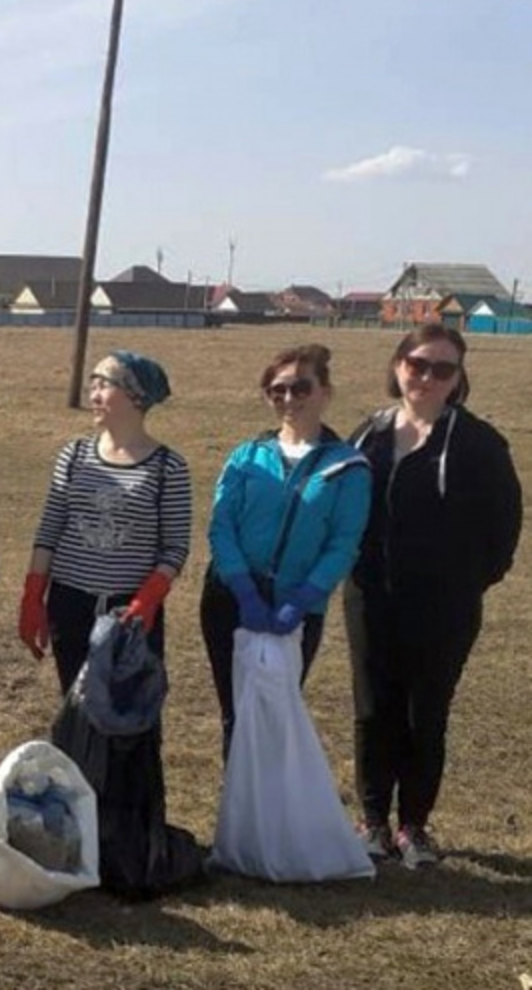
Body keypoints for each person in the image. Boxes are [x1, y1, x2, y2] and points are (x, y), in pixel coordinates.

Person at [344, 324, 520, 869]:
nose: (426, 377)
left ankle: (413, 825)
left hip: (444, 605)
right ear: (398, 365)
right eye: (417, 364)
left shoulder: (478, 443)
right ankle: (372, 820)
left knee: (427, 710)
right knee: (373, 707)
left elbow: (503, 528)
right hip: (370, 597)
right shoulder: (368, 435)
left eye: (442, 369)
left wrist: (463, 582)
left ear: (458, 380)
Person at [199, 344, 370, 757]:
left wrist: (302, 601)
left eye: (301, 388)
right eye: (278, 391)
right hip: (230, 602)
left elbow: (344, 544)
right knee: (235, 714)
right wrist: (243, 590)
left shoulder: (348, 467)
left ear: (325, 392)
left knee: (275, 715)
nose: (289, 399)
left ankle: (270, 812)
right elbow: (221, 527)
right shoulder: (247, 456)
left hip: (295, 612)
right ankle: (237, 813)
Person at [18, 352, 192, 694]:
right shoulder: (73, 456)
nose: (93, 395)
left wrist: (148, 599)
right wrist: (33, 596)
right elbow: (50, 530)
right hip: (69, 605)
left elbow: (175, 546)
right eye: (91, 385)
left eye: (104, 385)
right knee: (77, 702)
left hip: (130, 612)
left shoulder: (167, 467)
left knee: (129, 714)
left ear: (136, 396)